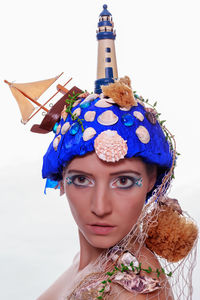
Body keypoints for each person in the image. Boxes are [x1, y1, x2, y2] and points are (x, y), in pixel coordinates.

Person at [36, 4, 198, 300]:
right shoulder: (87, 266)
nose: (100, 207)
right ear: (61, 180)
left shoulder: (130, 287)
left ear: (153, 182)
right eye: (81, 180)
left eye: (123, 181)